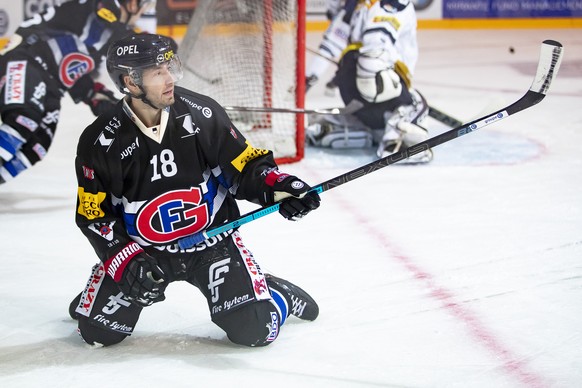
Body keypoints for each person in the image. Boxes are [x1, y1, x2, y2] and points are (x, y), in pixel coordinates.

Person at [68, 33, 322, 348]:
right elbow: (93, 215)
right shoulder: (100, 141)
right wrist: (122, 259)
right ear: (130, 82)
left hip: (211, 244)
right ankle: (99, 290)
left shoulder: (202, 114)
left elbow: (244, 167)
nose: (170, 78)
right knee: (98, 334)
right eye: (158, 72)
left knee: (256, 329)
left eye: (169, 67)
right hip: (146, 252)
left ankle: (275, 293)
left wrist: (279, 185)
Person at [0, 0, 153, 184]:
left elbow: (70, 65)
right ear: (132, 4)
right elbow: (102, 12)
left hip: (52, 84)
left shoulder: (105, 36)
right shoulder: (92, 9)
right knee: (24, 119)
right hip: (27, 59)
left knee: (38, 145)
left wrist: (93, 95)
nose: (141, 13)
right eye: (143, 6)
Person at [306, 0, 433, 163]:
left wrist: (307, 79)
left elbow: (330, 45)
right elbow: (376, 47)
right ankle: (397, 142)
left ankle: (361, 128)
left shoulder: (354, 5)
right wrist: (371, 82)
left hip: (350, 90)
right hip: (376, 86)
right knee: (416, 103)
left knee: (373, 110)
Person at [305, 0, 357, 97]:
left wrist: (332, 9)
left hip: (350, 17)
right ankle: (334, 82)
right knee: (361, 55)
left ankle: (312, 80)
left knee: (329, 49)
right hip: (367, 19)